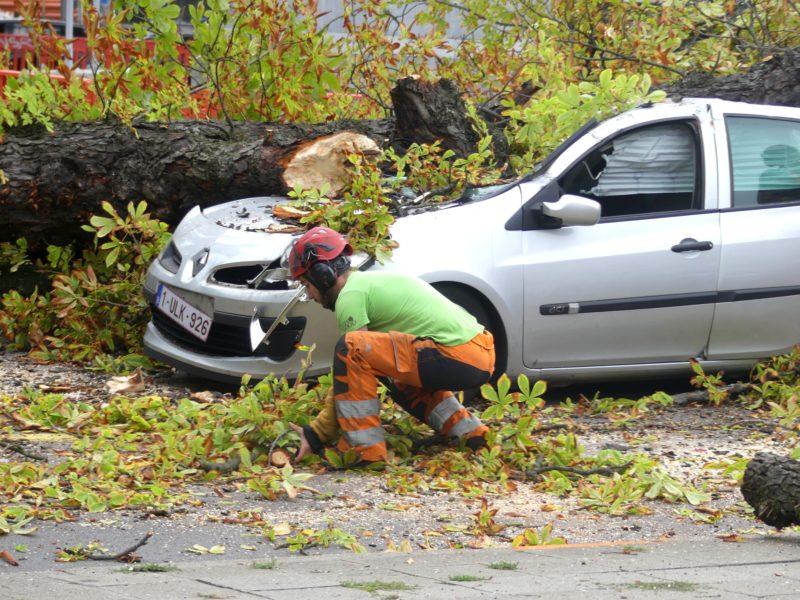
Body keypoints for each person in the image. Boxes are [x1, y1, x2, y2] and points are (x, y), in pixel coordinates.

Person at [287, 226, 495, 465]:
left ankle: (364, 450)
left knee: (350, 347)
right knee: (391, 373)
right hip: (479, 353)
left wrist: (316, 434)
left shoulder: (350, 296)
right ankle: (471, 434)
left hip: (457, 354)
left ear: (322, 275)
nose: (310, 295)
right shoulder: (369, 283)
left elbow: (350, 367)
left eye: (306, 284)